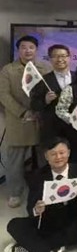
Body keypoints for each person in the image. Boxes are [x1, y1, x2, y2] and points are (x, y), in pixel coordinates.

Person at [4, 137, 77, 252]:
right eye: (53, 154)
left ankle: (27, 247)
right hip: (47, 221)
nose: (58, 157)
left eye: (62, 153)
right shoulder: (38, 176)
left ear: (69, 153)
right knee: (14, 224)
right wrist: (36, 209)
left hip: (71, 220)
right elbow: (30, 207)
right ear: (46, 156)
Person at [0, 35, 50, 208]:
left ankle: (46, 191)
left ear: (36, 50)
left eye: (31, 47)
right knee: (15, 161)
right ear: (18, 49)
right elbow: (4, 95)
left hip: (41, 120)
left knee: (46, 158)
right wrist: (23, 112)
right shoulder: (8, 70)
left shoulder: (44, 68)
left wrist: (41, 110)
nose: (27, 50)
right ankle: (15, 192)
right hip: (19, 121)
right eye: (23, 47)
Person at [30, 44, 75, 146]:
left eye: (63, 56)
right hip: (52, 130)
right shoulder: (43, 80)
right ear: (50, 59)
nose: (60, 59)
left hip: (76, 129)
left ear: (69, 58)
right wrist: (45, 100)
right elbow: (34, 105)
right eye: (55, 56)